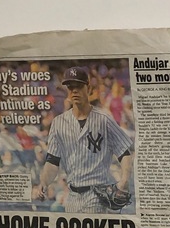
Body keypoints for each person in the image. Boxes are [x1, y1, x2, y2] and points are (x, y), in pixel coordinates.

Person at [36, 66, 133, 213]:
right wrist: (44, 181)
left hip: (97, 194)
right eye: (70, 87)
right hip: (72, 196)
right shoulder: (58, 122)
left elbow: (124, 153)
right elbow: (52, 161)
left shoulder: (104, 119)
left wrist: (124, 179)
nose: (74, 91)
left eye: (79, 86)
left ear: (88, 88)